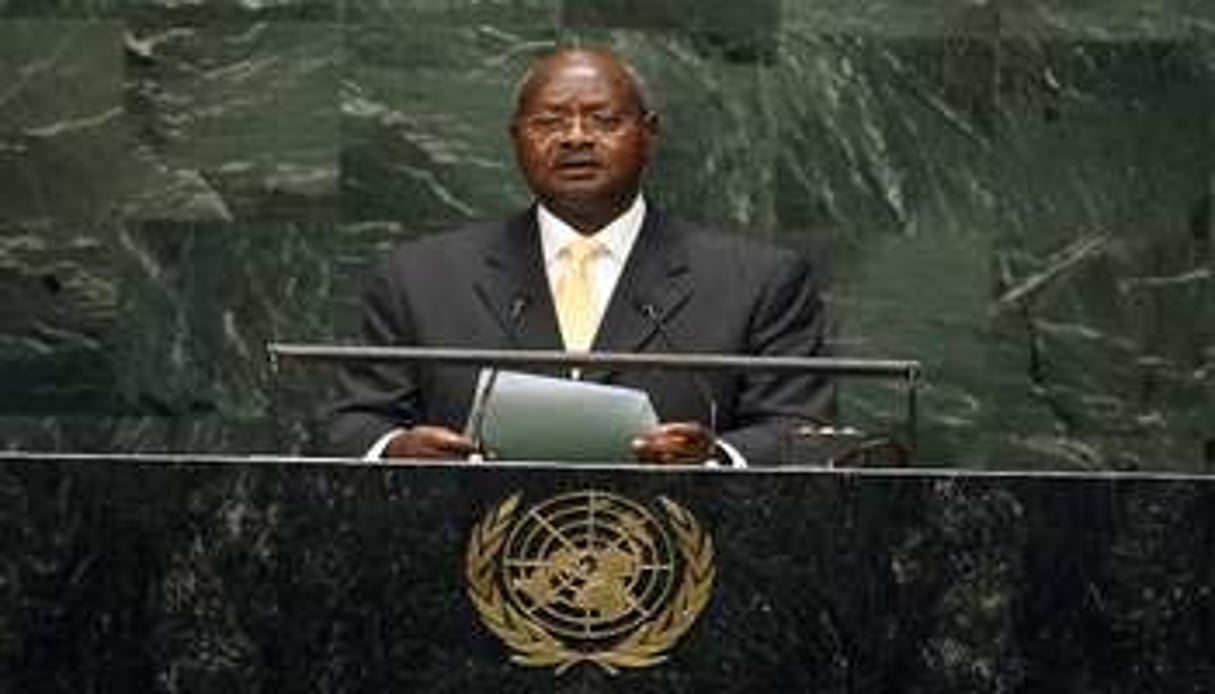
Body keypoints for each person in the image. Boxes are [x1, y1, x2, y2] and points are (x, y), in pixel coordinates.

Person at [329, 47, 830, 466]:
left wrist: (715, 456)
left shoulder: (757, 280)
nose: (574, 137)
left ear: (648, 134)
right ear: (516, 139)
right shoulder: (419, 278)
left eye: (603, 120)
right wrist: (396, 449)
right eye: (548, 121)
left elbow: (798, 427)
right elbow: (356, 423)